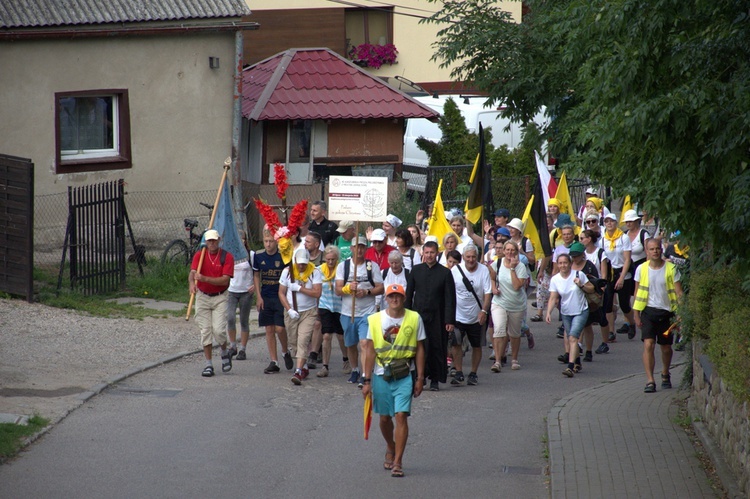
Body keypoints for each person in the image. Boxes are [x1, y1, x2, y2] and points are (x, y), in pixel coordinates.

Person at [361, 283, 426, 478]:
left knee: (400, 416)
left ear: (404, 298)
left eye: (398, 296)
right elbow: (370, 350)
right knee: (384, 418)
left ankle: (398, 461)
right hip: (382, 374)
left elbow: (420, 348)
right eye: (391, 296)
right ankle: (390, 445)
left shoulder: (414, 318)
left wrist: (420, 378)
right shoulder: (374, 320)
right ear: (386, 299)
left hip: (405, 374)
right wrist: (366, 380)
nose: (395, 299)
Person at [405, 240, 456, 391]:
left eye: (432, 253)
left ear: (437, 253)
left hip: (438, 316)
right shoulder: (416, 270)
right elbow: (408, 295)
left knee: (436, 347)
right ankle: (420, 377)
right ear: (423, 253)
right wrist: (405, 315)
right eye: (426, 252)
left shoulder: (445, 272)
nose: (429, 255)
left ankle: (435, 378)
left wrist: (449, 320)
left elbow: (450, 298)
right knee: (419, 347)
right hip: (418, 314)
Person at [633, 239, 683, 393]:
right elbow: (636, 292)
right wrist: (636, 314)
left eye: (657, 249)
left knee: (666, 347)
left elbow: (679, 292)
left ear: (661, 250)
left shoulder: (671, 268)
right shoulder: (641, 269)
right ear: (647, 251)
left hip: (667, 312)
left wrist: (681, 313)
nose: (655, 251)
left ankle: (665, 373)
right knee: (648, 344)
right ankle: (650, 380)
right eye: (651, 249)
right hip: (648, 311)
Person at [336, 236, 385, 386]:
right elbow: (337, 290)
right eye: (356, 246)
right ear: (351, 249)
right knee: (350, 344)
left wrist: (367, 292)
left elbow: (381, 288)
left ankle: (365, 374)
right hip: (347, 312)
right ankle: (355, 369)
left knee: (365, 343)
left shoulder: (372, 266)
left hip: (367, 312)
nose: (359, 250)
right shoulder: (343, 267)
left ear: (366, 249)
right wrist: (348, 288)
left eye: (363, 247)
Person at [189, 229, 234, 377]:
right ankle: (208, 364)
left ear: (219, 240)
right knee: (205, 331)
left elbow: (225, 279)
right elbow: (193, 273)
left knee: (219, 330)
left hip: (220, 297)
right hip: (203, 296)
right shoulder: (199, 255)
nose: (212, 243)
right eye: (209, 241)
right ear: (206, 242)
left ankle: (224, 351)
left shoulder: (226, 257)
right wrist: (192, 283)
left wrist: (204, 279)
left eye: (214, 240)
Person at [279, 247, 323, 385]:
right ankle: (303, 366)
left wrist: (300, 289)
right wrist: (289, 309)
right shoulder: (287, 272)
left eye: (304, 263)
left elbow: (317, 293)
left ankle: (298, 371)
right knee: (293, 342)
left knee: (303, 340)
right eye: (300, 263)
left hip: (308, 312)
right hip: (291, 311)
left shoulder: (314, 272)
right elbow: (281, 293)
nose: (302, 266)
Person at [546, 253, 593, 377]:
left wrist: (581, 284)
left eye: (565, 263)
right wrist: (548, 313)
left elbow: (591, 288)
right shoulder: (555, 279)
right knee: (570, 338)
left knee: (573, 338)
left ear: (570, 264)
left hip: (581, 311)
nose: (563, 265)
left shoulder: (578, 275)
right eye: (560, 263)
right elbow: (553, 298)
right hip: (566, 312)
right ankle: (577, 361)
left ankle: (570, 367)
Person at [449, 244, 491, 385]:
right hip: (458, 315)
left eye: (473, 257)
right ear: (463, 257)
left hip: (476, 315)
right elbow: (449, 293)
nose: (471, 260)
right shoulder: (455, 271)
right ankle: (459, 371)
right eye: (468, 257)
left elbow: (487, 293)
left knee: (476, 345)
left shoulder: (483, 270)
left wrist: (484, 311)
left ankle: (473, 373)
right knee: (456, 344)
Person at [254, 229, 294, 374]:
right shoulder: (258, 256)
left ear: (276, 242)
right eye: (266, 241)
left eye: (271, 241)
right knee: (269, 329)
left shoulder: (282, 256)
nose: (268, 244)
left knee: (280, 328)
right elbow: (257, 275)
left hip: (279, 296)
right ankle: (274, 361)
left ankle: (285, 351)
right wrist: (258, 296)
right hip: (266, 295)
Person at [489, 241, 530, 372]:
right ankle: (497, 361)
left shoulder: (521, 266)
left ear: (516, 252)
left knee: (514, 334)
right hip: (499, 302)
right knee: (499, 330)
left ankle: (514, 359)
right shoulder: (498, 263)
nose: (509, 252)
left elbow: (517, 286)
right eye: (507, 250)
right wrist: (494, 288)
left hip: (516, 304)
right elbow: (492, 277)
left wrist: (512, 268)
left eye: (512, 250)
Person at [600, 213, 636, 339]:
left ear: (616, 223)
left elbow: (627, 259)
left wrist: (621, 277)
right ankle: (611, 332)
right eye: (607, 221)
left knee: (624, 304)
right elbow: (602, 259)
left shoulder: (623, 238)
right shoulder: (603, 240)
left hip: (622, 272)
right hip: (610, 273)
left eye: (612, 221)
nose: (609, 224)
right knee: (608, 304)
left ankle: (632, 323)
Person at [316, 245, 349, 377]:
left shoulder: (341, 270)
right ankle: (325, 366)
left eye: (333, 259)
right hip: (325, 305)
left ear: (337, 259)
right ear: (324, 258)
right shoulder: (319, 271)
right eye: (328, 259)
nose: (330, 262)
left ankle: (346, 359)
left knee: (341, 336)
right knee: (326, 335)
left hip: (340, 306)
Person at [569, 242, 602, 362]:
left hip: (587, 301)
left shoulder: (589, 266)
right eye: (573, 256)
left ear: (583, 254)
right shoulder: (569, 265)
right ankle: (574, 350)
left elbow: (595, 282)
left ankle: (588, 350)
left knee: (587, 326)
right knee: (574, 327)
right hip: (572, 301)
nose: (575, 258)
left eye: (577, 255)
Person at [226, 230, 255, 361]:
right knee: (230, 318)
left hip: (246, 292)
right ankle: (232, 346)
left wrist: (254, 285)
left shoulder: (251, 255)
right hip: (232, 290)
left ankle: (243, 349)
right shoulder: (229, 255)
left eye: (242, 239)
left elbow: (256, 272)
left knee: (244, 320)